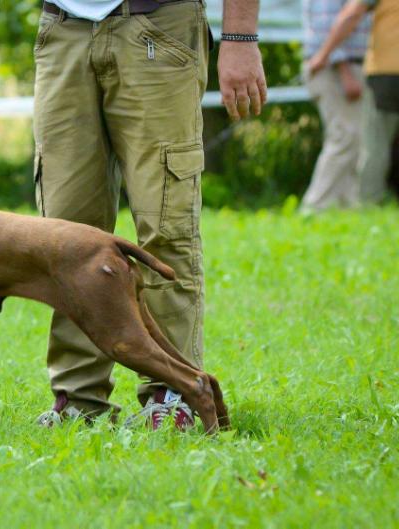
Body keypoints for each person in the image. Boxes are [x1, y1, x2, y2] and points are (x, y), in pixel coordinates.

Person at [32, 0, 266, 429]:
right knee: (63, 238)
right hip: (63, 27)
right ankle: (79, 399)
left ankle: (172, 395)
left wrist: (240, 37)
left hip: (159, 22)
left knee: (166, 226)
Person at [309, 0, 399, 208]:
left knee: (376, 142)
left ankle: (368, 204)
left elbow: (351, 14)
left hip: (386, 70)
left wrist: (323, 54)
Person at [300, 0, 371, 211]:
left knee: (355, 137)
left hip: (342, 65)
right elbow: (327, 27)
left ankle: (346, 205)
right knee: (345, 135)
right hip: (333, 68)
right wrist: (344, 71)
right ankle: (314, 206)